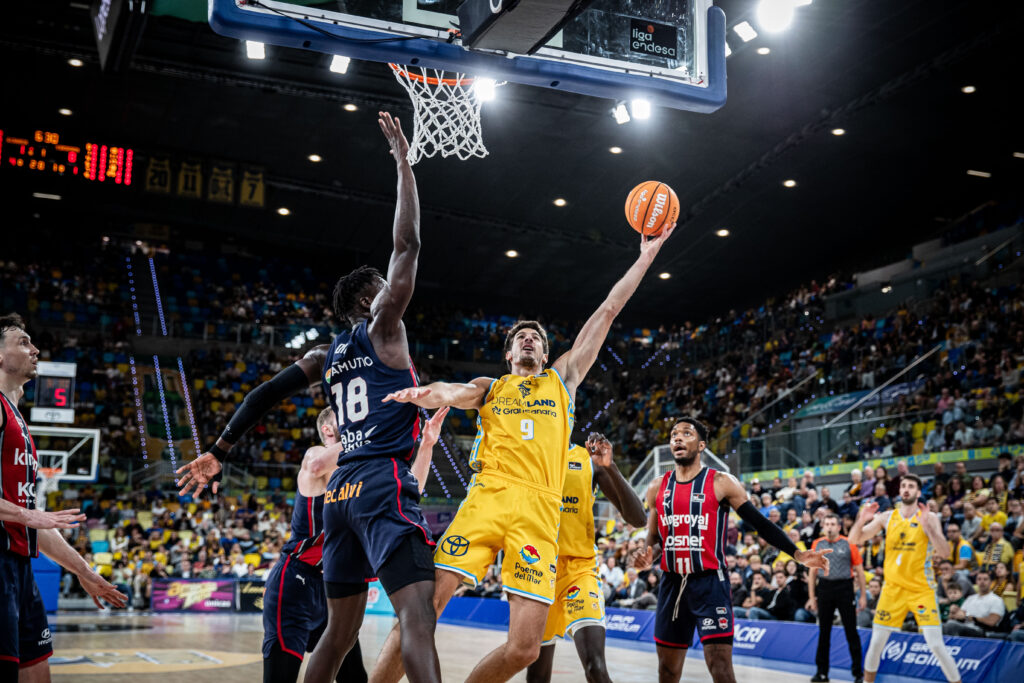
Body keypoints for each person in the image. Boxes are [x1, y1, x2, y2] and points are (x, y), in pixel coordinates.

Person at [176, 113, 443, 683]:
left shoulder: (324, 357)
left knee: (339, 636)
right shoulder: (384, 327)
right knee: (417, 617)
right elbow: (409, 242)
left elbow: (265, 392)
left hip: (339, 497)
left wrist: (221, 447)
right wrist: (402, 163)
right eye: (383, 291)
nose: (394, 296)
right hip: (378, 483)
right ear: (372, 301)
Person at [372, 221, 676, 683]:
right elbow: (451, 391)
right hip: (488, 498)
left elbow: (609, 309)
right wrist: (424, 394)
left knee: (525, 649)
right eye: (520, 337)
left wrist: (646, 257)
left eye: (536, 337)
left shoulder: (563, 380)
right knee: (425, 609)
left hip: (539, 510)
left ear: (547, 351)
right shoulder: (491, 387)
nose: (529, 339)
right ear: (509, 353)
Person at [631, 419, 831, 683]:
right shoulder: (657, 487)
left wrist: (797, 553)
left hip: (710, 582)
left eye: (686, 434)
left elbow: (759, 522)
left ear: (701, 445)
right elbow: (655, 540)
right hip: (672, 583)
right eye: (673, 435)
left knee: (721, 667)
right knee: (667, 672)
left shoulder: (722, 482)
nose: (677, 439)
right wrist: (648, 556)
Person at [0, 313, 126, 681]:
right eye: (23, 342)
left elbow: (34, 520)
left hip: (19, 567)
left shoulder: (18, 420)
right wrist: (27, 517)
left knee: (39, 673)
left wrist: (84, 571)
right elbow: (28, 517)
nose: (35, 349)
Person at [525, 433, 647, 683]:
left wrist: (609, 467)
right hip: (538, 570)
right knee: (537, 675)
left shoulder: (587, 460)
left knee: (596, 668)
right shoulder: (529, 453)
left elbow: (639, 520)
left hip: (579, 570)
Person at [849, 474, 961, 683]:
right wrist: (861, 519)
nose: (906, 489)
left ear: (918, 492)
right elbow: (854, 539)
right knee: (876, 642)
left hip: (921, 589)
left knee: (935, 645)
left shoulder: (930, 517)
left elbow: (945, 553)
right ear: (899, 491)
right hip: (892, 589)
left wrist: (927, 528)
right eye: (903, 486)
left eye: (911, 486)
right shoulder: (887, 517)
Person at [807, 514, 866, 683]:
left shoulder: (849, 543)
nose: (830, 527)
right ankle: (822, 672)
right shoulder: (817, 544)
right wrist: (812, 597)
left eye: (833, 523)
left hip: (845, 588)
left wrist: (862, 594)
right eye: (827, 524)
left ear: (839, 527)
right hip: (825, 588)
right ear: (823, 526)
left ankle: (858, 674)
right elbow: (812, 572)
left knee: (851, 631)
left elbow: (860, 571)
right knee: (824, 632)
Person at [942, 571, 1005, 638]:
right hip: (965, 626)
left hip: (981, 630)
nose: (982, 582)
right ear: (976, 582)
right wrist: (953, 613)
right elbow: (960, 615)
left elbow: (992, 622)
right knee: (941, 626)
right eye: (979, 579)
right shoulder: (970, 598)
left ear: (991, 582)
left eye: (985, 579)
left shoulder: (996, 600)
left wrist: (972, 618)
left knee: (951, 625)